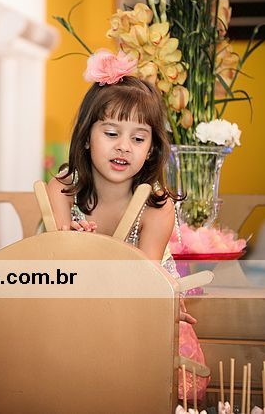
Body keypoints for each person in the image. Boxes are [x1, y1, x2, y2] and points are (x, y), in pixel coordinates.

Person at [46, 49, 195, 324]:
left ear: (151, 150)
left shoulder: (157, 208)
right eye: (111, 133)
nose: (124, 146)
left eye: (138, 139)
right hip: (75, 305)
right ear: (86, 137)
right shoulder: (63, 190)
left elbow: (143, 286)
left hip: (136, 310)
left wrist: (98, 254)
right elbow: (59, 271)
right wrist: (73, 247)